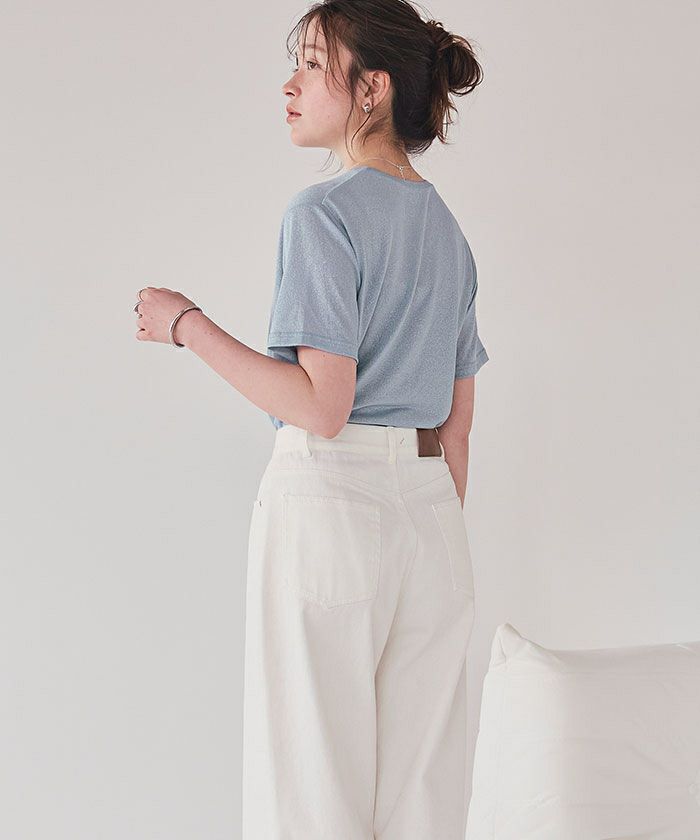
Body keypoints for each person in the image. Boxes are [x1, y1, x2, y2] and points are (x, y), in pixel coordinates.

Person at [133, 1, 488, 837]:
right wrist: (416, 524)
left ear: (372, 89)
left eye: (314, 64)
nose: (290, 85)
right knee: (423, 797)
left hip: (333, 506)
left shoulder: (323, 214)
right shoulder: (448, 233)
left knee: (311, 793)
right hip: (434, 520)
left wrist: (185, 324)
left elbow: (321, 407)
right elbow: (457, 426)